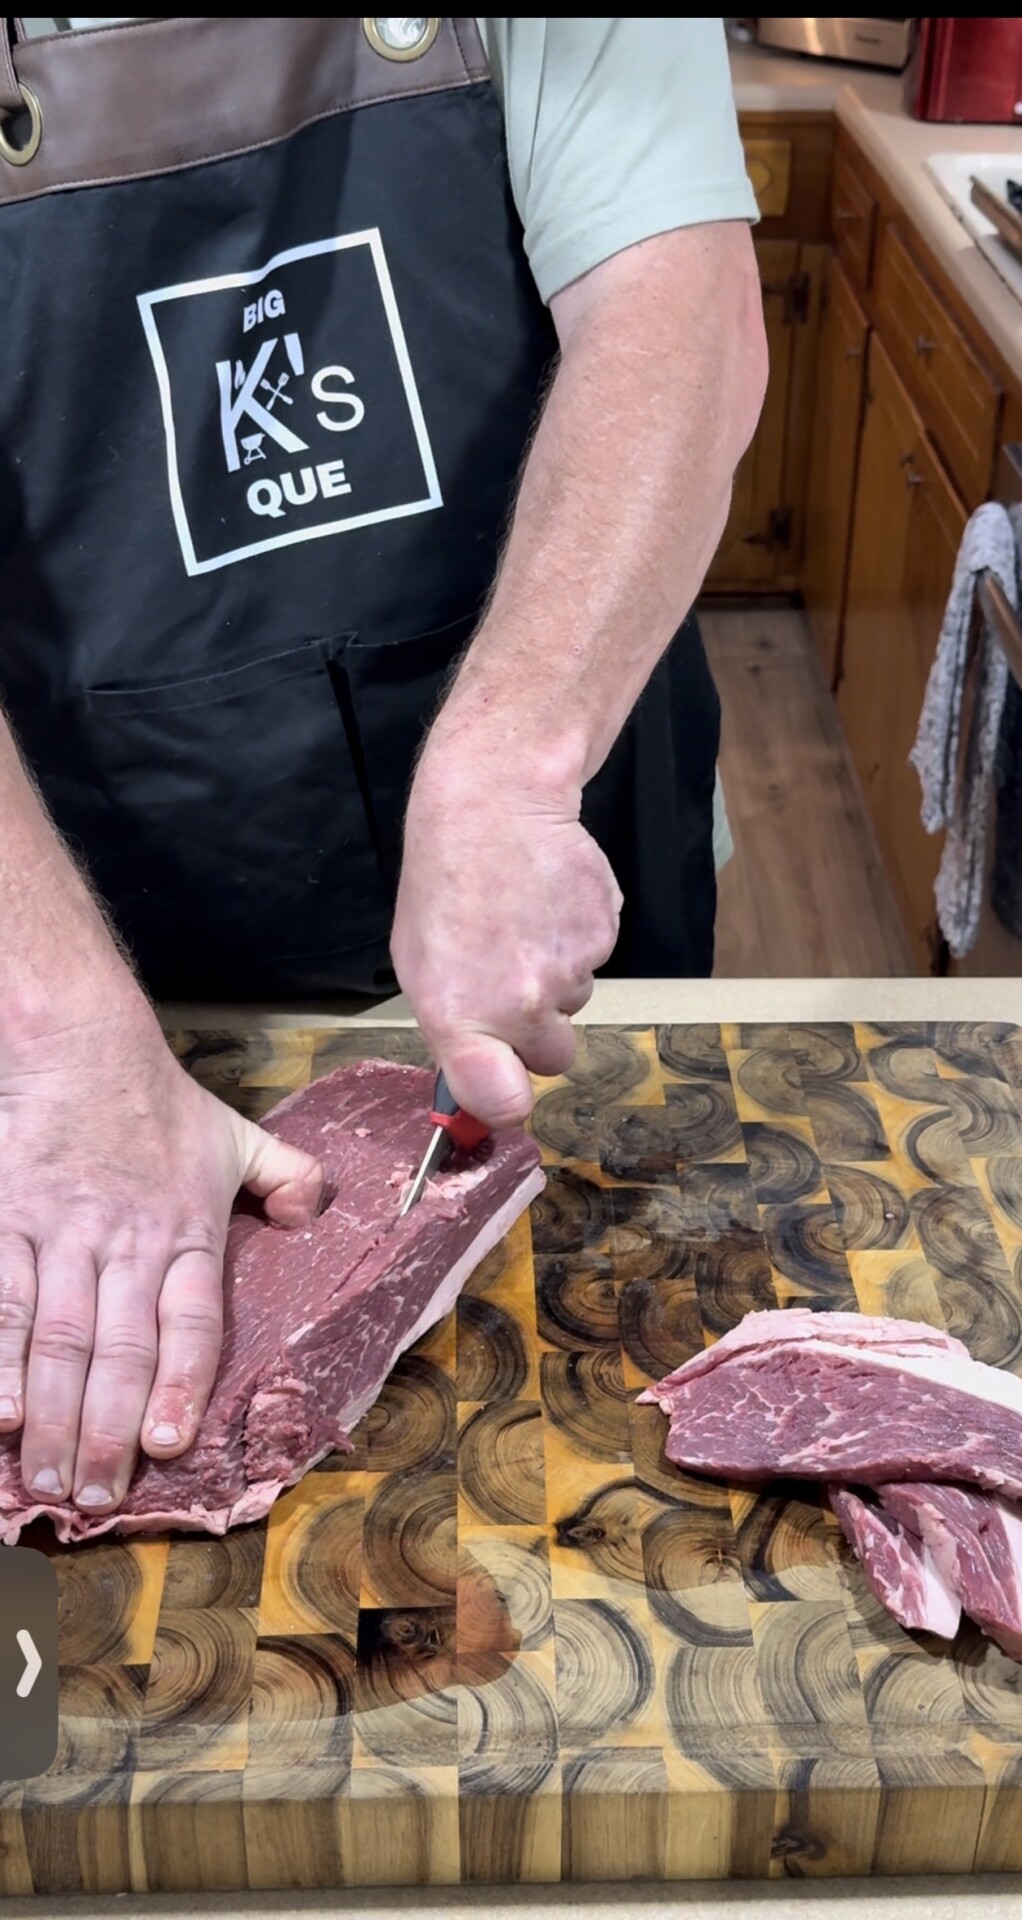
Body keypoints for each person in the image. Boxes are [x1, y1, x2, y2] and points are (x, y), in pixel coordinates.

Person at [0, 18, 766, 1518]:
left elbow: (673, 300)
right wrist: (43, 1018)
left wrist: (506, 767)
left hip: (542, 822)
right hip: (70, 857)